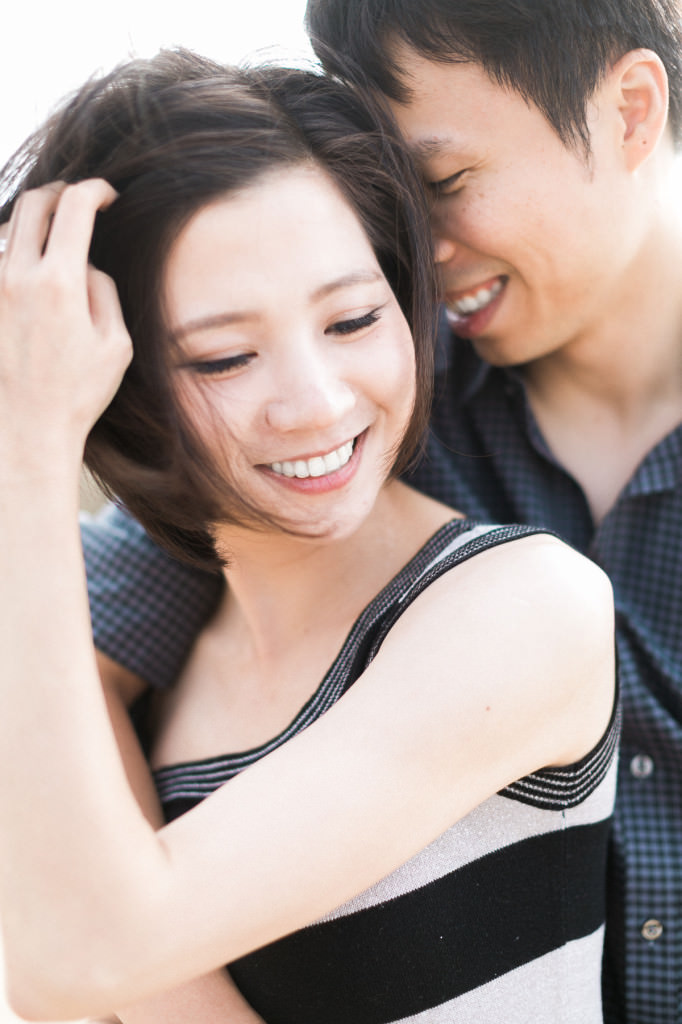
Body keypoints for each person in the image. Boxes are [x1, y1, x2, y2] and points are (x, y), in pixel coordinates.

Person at [77, 2, 682, 1020]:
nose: (412, 243)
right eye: (388, 195)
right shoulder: (352, 402)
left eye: (440, 185)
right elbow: (72, 663)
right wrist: (163, 979)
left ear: (629, 112)